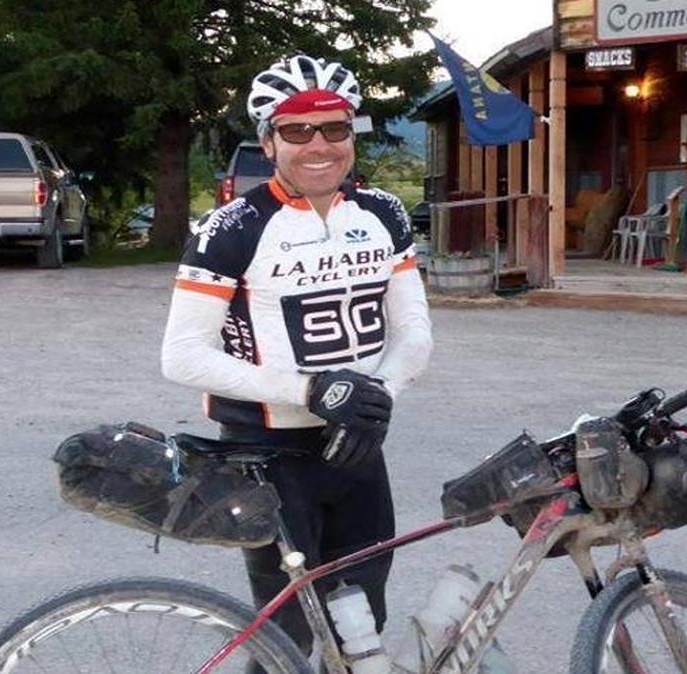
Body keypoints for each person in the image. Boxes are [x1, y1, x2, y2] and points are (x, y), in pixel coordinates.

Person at [160, 54, 433, 667]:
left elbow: (414, 331)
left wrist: (374, 396)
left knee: (363, 618)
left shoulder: (384, 213)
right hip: (268, 451)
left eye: (335, 128)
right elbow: (181, 356)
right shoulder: (232, 228)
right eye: (297, 130)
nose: (319, 146)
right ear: (269, 141)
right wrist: (311, 391)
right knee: (287, 630)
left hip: (358, 445)